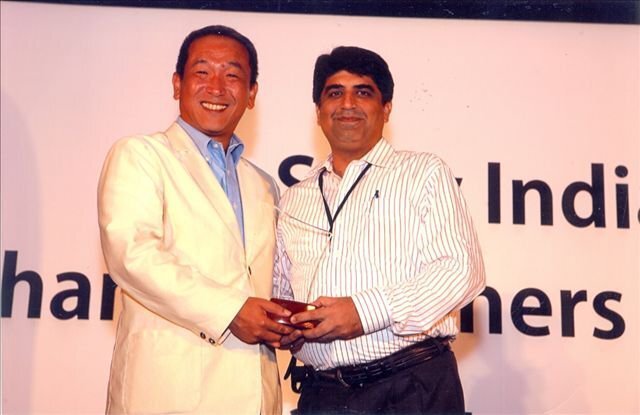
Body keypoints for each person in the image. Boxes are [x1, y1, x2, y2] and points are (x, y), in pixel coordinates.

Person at [273, 46, 486, 414]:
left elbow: (461, 271)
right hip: (322, 395)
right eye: (335, 93)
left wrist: (363, 311)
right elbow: (282, 291)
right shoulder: (294, 198)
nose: (348, 104)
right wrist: (288, 326)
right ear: (319, 111)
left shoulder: (423, 173)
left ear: (386, 108)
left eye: (363, 92)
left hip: (411, 388)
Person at [98, 25, 293, 414]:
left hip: (254, 394)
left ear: (252, 93)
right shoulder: (141, 155)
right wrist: (232, 310)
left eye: (232, 75)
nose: (216, 87)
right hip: (169, 392)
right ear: (177, 84)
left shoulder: (262, 184)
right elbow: (132, 255)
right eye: (202, 72)